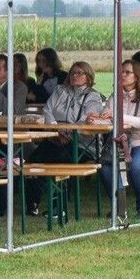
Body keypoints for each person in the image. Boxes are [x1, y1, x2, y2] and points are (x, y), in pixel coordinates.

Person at [25, 61, 104, 216]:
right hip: (55, 138)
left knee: (61, 161)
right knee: (33, 160)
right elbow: (47, 111)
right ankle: (32, 203)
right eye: (73, 72)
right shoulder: (60, 90)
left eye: (80, 73)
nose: (75, 75)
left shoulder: (93, 96)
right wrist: (57, 129)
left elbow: (88, 119)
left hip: (82, 145)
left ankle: (58, 206)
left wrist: (68, 133)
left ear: (88, 77)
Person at [89, 60, 140, 222]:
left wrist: (116, 117)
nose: (122, 75)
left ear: (137, 76)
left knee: (135, 166)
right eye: (121, 72)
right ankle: (120, 208)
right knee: (105, 165)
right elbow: (108, 119)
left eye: (127, 72)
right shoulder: (116, 95)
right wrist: (95, 119)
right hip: (121, 142)